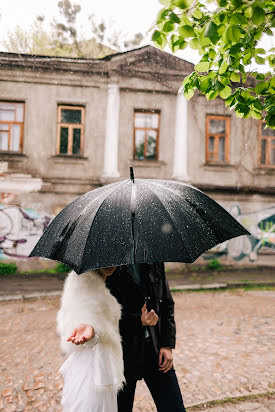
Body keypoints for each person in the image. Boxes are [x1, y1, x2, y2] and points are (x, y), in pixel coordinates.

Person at [106, 262, 186, 412]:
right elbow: (101, 317)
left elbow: (166, 302)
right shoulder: (107, 265)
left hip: (154, 347)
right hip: (122, 353)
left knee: (174, 407)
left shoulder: (153, 258)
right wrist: (137, 321)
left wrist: (167, 345)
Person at [56, 266, 124, 412]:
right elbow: (81, 321)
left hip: (105, 365)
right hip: (90, 369)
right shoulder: (81, 282)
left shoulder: (101, 283)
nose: (111, 264)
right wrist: (92, 331)